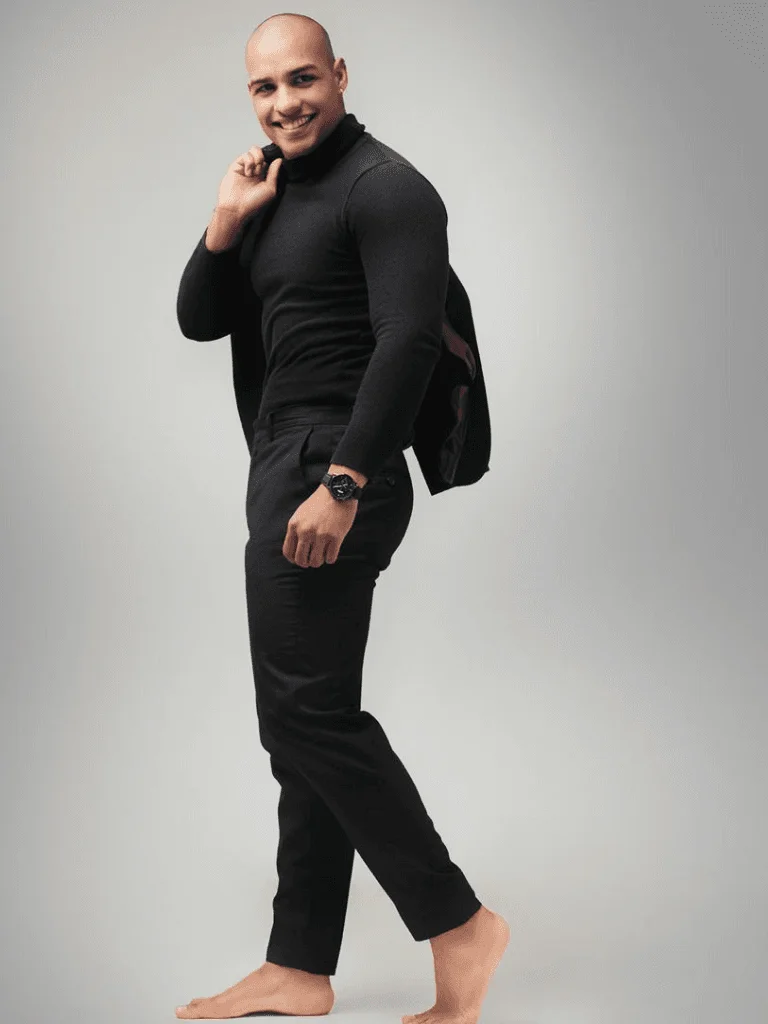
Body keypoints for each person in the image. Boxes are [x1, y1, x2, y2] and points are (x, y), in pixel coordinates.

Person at [174, 13, 509, 1024]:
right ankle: (299, 965)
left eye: (303, 79)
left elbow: (408, 340)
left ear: (341, 75)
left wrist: (347, 480)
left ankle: (458, 922)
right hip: (284, 463)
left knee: (304, 716)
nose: (285, 102)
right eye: (265, 87)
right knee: (305, 724)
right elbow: (199, 317)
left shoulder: (387, 189)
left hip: (336, 466)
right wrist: (226, 219)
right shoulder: (272, 190)